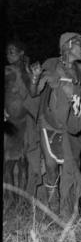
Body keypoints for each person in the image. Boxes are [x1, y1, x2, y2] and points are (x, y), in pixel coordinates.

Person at [29, 32, 81, 217]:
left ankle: (65, 215)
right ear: (67, 46)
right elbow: (34, 93)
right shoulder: (51, 64)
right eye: (79, 45)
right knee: (50, 167)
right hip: (49, 125)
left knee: (69, 169)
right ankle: (51, 209)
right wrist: (34, 78)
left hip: (72, 127)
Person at [4, 40, 41, 197]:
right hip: (10, 123)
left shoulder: (28, 71)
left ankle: (23, 201)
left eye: (12, 51)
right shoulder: (6, 71)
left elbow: (33, 94)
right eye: (7, 52)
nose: (8, 54)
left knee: (24, 163)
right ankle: (11, 200)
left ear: (21, 53)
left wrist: (33, 76)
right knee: (8, 164)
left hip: (27, 123)